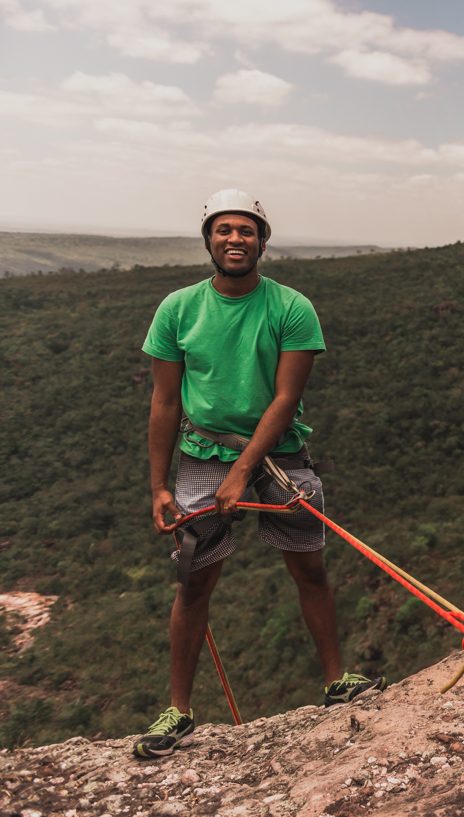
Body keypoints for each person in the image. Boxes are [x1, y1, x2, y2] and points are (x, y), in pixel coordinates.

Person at [133, 190, 385, 758]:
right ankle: (177, 711)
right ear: (209, 241)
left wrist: (242, 470)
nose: (235, 239)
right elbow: (165, 403)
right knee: (194, 581)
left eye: (246, 231)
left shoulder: (290, 306)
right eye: (223, 230)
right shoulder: (178, 309)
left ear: (262, 240)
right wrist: (159, 486)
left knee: (310, 568)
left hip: (278, 454)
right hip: (203, 453)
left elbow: (286, 396)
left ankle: (337, 683)